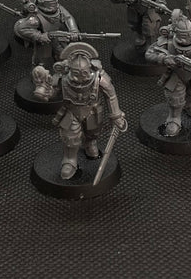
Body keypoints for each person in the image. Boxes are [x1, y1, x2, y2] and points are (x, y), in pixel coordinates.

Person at [33, 43, 126, 179]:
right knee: (70, 137)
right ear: (69, 69)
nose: (79, 78)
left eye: (84, 73)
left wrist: (116, 115)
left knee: (93, 132)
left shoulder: (98, 78)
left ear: (90, 68)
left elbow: (110, 95)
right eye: (76, 73)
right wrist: (45, 91)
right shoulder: (63, 78)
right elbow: (53, 93)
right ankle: (70, 161)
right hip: (71, 112)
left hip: (92, 112)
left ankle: (90, 143)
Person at [145, 9, 191, 136]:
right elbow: (149, 54)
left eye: (190, 35)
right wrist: (164, 58)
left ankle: (190, 104)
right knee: (175, 98)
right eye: (184, 36)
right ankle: (174, 118)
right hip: (176, 75)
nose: (188, 39)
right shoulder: (168, 41)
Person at [14, 0, 79, 68]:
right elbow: (21, 28)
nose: (54, 7)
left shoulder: (58, 9)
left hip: (57, 36)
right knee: (43, 60)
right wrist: (39, 36)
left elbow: (68, 18)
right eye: (51, 4)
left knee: (64, 52)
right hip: (44, 39)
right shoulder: (36, 17)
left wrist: (73, 30)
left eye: (54, 3)